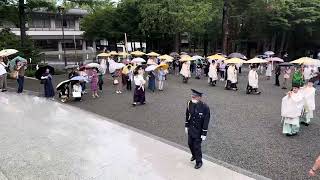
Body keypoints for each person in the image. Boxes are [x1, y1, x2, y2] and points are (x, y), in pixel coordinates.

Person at [185, 89, 211, 169]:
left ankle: (199, 161)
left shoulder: (205, 107)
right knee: (190, 143)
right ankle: (194, 155)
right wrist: (186, 125)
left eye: (195, 96)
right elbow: (187, 115)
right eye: (192, 96)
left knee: (197, 146)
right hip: (191, 129)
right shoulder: (189, 103)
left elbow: (206, 121)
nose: (193, 97)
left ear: (199, 97)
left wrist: (204, 133)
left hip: (199, 131)